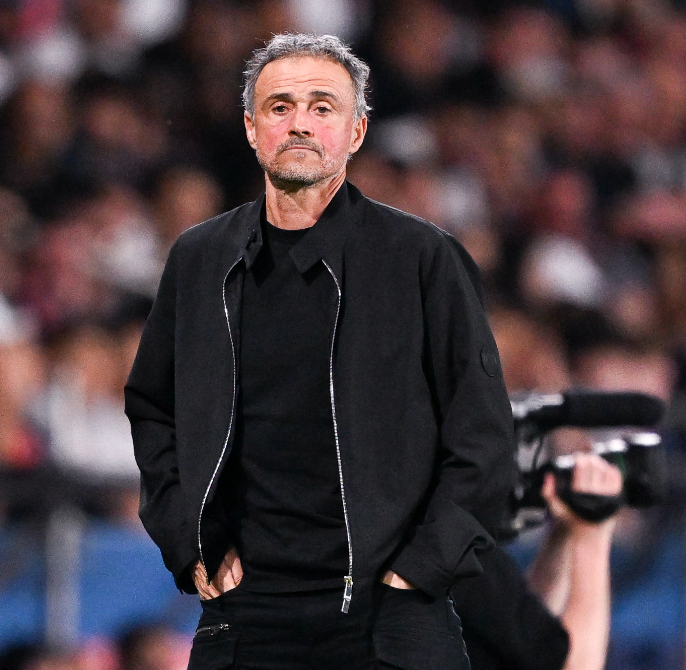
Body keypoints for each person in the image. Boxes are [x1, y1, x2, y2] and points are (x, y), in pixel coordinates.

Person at [126, 33, 514, 669]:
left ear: (356, 131)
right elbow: (152, 407)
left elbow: (482, 432)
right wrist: (190, 541)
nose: (300, 123)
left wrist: (422, 569)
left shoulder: (421, 257)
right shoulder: (200, 259)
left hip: (391, 619)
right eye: (280, 107)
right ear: (251, 129)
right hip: (245, 615)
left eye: (322, 107)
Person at [453, 453, 622, 670]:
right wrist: (592, 532)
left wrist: (565, 532)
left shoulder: (425, 525)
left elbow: (523, 638)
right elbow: (574, 665)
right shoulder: (452, 544)